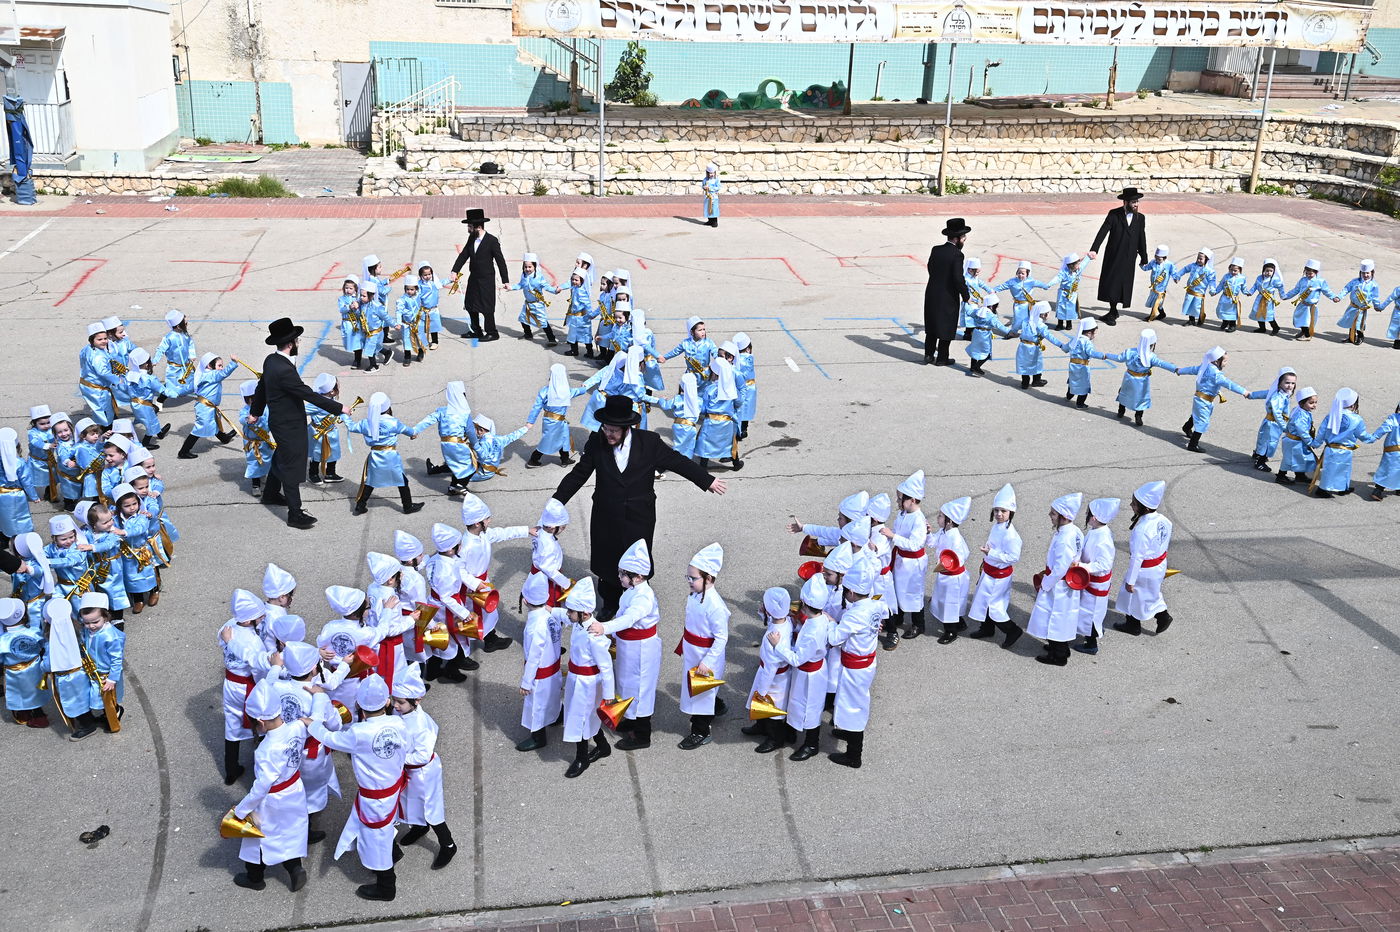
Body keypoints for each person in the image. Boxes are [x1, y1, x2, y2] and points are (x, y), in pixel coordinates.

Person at [551, 395, 725, 620]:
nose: (609, 434)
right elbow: (578, 475)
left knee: (637, 558)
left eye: (614, 430)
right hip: (606, 514)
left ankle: (639, 602)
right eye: (606, 428)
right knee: (608, 559)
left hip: (639, 515)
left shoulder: (649, 442)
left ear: (627, 428)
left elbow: (677, 461)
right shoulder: (597, 442)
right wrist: (555, 504)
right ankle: (610, 603)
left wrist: (706, 479)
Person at [306, 673, 408, 902]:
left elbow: (331, 739)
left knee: (375, 836)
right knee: (384, 827)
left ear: (360, 705)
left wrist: (312, 725)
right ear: (388, 702)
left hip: (374, 796)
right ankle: (393, 852)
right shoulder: (398, 723)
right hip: (392, 787)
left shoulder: (358, 733)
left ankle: (386, 884)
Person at [248, 318, 345, 530]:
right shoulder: (284, 369)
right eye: (297, 340)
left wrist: (255, 411)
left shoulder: (271, 360)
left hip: (280, 421)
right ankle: (295, 513)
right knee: (291, 465)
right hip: (289, 424)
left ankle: (271, 493)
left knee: (282, 456)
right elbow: (305, 393)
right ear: (291, 344)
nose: (298, 343)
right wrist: (338, 407)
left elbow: (262, 387)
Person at [229, 673, 309, 892]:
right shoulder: (297, 728)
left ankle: (255, 877)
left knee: (257, 839)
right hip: (294, 787)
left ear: (261, 722)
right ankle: (294, 868)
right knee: (291, 830)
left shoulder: (266, 749)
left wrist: (242, 809)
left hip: (272, 798)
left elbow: (262, 785)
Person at [593, 538, 661, 750]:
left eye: (624, 574)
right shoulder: (633, 590)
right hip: (629, 647)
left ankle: (642, 735)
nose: (620, 577)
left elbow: (629, 618)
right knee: (627, 685)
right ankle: (630, 720)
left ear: (638, 577)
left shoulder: (643, 598)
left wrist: (605, 628)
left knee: (640, 689)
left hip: (641, 649)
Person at [391, 663, 457, 870]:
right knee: (410, 802)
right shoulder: (401, 714)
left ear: (417, 700)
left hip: (423, 772)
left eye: (400, 702)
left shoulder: (421, 725)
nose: (395, 705)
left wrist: (397, 758)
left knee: (431, 809)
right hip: (410, 771)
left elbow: (421, 755)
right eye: (394, 700)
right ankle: (419, 826)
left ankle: (448, 844)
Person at [828, 559, 888, 768]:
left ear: (852, 593)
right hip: (865, 661)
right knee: (849, 701)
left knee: (853, 707)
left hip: (855, 666)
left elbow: (834, 638)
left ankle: (854, 755)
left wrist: (829, 621)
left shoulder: (854, 614)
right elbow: (883, 613)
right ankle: (846, 731)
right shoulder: (874, 604)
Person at [559, 578, 616, 778]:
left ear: (584, 613)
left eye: (570, 611)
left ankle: (581, 758)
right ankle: (602, 746)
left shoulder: (594, 635)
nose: (567, 614)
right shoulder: (578, 623)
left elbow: (606, 666)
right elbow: (562, 615)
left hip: (588, 683)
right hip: (576, 678)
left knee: (581, 719)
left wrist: (608, 694)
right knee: (586, 716)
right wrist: (546, 609)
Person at [676, 543, 729, 750]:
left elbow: (721, 637)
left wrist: (708, 661)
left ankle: (701, 731)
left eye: (693, 578)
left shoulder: (715, 606)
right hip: (693, 650)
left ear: (708, 579)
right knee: (696, 690)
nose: (689, 581)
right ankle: (717, 706)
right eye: (688, 577)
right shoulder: (696, 594)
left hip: (706, 655)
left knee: (701, 693)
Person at [1027, 492, 1085, 666]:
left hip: (1058, 585)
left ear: (1064, 516)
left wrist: (1046, 583)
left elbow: (1060, 567)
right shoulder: (1074, 531)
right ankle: (1060, 647)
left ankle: (1058, 655)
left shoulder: (1065, 539)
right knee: (1062, 617)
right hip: (1065, 583)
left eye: (1053, 513)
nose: (1049, 516)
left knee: (1055, 617)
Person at [966, 483, 1023, 649]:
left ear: (1010, 512)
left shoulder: (1011, 535)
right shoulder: (997, 526)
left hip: (999, 576)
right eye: (996, 510)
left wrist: (991, 554)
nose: (999, 514)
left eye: (1003, 511)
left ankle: (1012, 630)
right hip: (990, 571)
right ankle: (987, 628)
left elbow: (1013, 557)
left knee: (994, 606)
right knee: (984, 599)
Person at [1113, 481, 1173, 636]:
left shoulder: (1142, 530)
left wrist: (1131, 580)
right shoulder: (1163, 520)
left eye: (1134, 504)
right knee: (1151, 594)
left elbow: (1137, 558)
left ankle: (1134, 625)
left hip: (1144, 570)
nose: (1131, 505)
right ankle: (1161, 616)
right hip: (1159, 565)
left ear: (1145, 508)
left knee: (1131, 596)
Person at [349, 392, 424, 517]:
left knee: (370, 481)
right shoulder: (394, 422)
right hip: (391, 456)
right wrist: (413, 434)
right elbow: (409, 431)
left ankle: (360, 505)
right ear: (388, 407)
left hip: (375, 456)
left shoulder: (366, 423)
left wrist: (345, 415)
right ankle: (408, 505)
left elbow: (351, 427)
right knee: (402, 481)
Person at [880, 470, 928, 651]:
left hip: (912, 563)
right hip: (901, 558)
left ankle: (918, 623)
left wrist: (894, 536)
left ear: (913, 500)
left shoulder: (918, 519)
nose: (898, 502)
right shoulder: (903, 513)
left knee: (913, 592)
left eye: (901, 499)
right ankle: (899, 616)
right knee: (898, 588)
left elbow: (915, 544)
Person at [516, 572, 564, 752]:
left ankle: (538, 737)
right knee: (552, 696)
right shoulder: (550, 615)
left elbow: (533, 656)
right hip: (553, 666)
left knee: (535, 704)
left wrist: (526, 682)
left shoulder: (533, 627)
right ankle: (558, 715)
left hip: (540, 673)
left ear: (526, 601)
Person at [1088, 187, 1147, 326]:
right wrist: (1094, 249)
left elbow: (1141, 238)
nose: (1136, 204)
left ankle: (1114, 311)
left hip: (1129, 258)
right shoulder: (1114, 214)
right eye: (1133, 202)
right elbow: (1103, 231)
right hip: (1114, 256)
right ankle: (1113, 311)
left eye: (1137, 201)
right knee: (1112, 283)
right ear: (1125, 202)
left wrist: (1144, 257)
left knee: (1123, 284)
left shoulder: (1140, 218)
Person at [746, 585, 795, 755]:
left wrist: (762, 690)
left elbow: (771, 667)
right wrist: (763, 614)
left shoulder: (773, 638)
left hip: (773, 680)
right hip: (780, 675)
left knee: (772, 708)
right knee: (772, 706)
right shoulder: (786, 621)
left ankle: (775, 739)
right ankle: (761, 725)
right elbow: (773, 621)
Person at [1175, 346, 1252, 453]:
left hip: (1199, 398)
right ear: (1216, 361)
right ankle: (1193, 444)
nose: (1226, 363)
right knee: (1203, 421)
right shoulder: (1216, 374)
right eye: (1224, 361)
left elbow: (1192, 369)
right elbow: (1229, 384)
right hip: (1204, 400)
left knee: (1198, 414)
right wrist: (1244, 391)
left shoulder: (1205, 366)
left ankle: (1187, 427)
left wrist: (1180, 370)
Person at [450, 207, 509, 342]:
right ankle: (476, 330)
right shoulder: (472, 238)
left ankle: (492, 332)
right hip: (474, 278)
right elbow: (464, 255)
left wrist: (505, 280)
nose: (468, 229)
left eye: (469, 226)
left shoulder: (491, 241)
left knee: (487, 306)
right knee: (470, 304)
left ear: (478, 227)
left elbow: (500, 261)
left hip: (486, 279)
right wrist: (455, 271)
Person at [1072, 497, 1119, 656]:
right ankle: (1093, 631)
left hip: (1095, 582)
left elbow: (1103, 565)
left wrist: (1081, 566)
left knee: (1090, 613)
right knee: (1090, 612)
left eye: (1087, 513)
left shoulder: (1103, 539)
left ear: (1094, 518)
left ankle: (1091, 643)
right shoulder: (1097, 531)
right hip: (1091, 580)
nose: (1085, 515)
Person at [415, 381, 478, 495]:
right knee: (471, 465)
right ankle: (460, 485)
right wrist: (475, 444)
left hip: (445, 445)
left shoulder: (442, 411)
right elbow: (470, 431)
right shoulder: (464, 413)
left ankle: (452, 487)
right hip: (458, 444)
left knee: (455, 464)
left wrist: (415, 430)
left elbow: (428, 420)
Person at [923, 218, 972, 365]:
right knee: (946, 325)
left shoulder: (936, 249)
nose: (964, 240)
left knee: (932, 324)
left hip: (932, 292)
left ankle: (929, 355)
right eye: (963, 238)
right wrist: (966, 296)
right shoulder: (957, 255)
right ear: (957, 239)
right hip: (947, 296)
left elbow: (930, 267)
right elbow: (958, 278)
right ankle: (942, 358)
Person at [1312, 388, 1370, 498]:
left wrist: (1316, 443)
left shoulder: (1331, 415)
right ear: (1353, 404)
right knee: (1344, 469)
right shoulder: (1356, 419)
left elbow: (1322, 432)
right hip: (1345, 450)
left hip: (1330, 448)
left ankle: (1341, 487)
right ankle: (1322, 489)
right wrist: (1372, 438)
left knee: (1330, 469)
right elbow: (1362, 434)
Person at [1115, 328, 1178, 427]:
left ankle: (1121, 411)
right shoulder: (1151, 356)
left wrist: (1106, 355)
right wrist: (1175, 369)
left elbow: (1118, 358)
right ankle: (1138, 416)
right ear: (1153, 344)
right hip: (1142, 381)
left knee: (1125, 393)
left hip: (1129, 378)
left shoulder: (1129, 351)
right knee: (1141, 398)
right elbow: (1162, 363)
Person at [0, 595, 47, 727]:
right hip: (34, 667)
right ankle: (39, 715)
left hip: (14, 672)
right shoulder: (34, 632)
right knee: (35, 691)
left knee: (17, 693)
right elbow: (42, 645)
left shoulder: (3, 640)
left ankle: (23, 714)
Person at [525, 364, 582, 469]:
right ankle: (533, 459)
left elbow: (536, 407)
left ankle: (565, 459)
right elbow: (578, 391)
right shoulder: (567, 391)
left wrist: (530, 421)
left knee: (563, 439)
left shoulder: (545, 391)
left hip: (549, 420)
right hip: (560, 420)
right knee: (548, 441)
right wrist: (584, 387)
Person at [1248, 367, 1297, 473]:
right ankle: (1259, 462)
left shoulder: (1279, 392)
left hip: (1272, 422)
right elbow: (1277, 413)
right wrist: (1284, 427)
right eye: (1287, 382)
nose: (1290, 386)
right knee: (1269, 442)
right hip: (1273, 423)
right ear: (1280, 382)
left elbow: (1264, 393)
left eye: (1293, 383)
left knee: (1264, 439)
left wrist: (1251, 395)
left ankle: (1257, 454)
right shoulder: (1278, 397)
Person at [1283, 258, 1341, 341]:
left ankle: (1307, 335)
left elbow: (1327, 291)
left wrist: (1333, 297)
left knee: (1307, 321)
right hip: (1303, 304)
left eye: (1310, 273)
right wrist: (1287, 296)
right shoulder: (1302, 280)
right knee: (1299, 319)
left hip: (1311, 306)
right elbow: (1296, 290)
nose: (1308, 275)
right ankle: (1303, 332)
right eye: (1306, 273)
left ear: (1316, 272)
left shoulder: (1320, 281)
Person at [1278, 387, 1321, 486]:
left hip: (1296, 441)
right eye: (1311, 403)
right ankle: (1281, 476)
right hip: (1294, 441)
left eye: (1315, 402)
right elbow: (1303, 431)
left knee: (1300, 458)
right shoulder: (1301, 416)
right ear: (1302, 403)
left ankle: (1300, 475)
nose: (1314, 405)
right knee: (1289, 459)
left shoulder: (1300, 410)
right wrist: (1310, 442)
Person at [1339, 259, 1381, 345]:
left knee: (1359, 323)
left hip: (1362, 308)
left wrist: (1377, 306)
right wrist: (1339, 296)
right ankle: (1351, 337)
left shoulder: (1374, 285)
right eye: (1363, 273)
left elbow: (1375, 297)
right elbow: (1346, 288)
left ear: (1372, 273)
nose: (1365, 275)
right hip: (1353, 306)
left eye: (1368, 273)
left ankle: (1360, 336)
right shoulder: (1355, 281)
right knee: (1351, 321)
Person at [1364, 400, 1400, 501]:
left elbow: (1383, 429)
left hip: (1392, 451)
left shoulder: (1394, 418)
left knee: (1387, 470)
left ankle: (1378, 490)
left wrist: (1373, 437)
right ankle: (1398, 489)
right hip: (1394, 451)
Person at [1245, 258, 1285, 335]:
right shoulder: (1259, 277)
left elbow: (1280, 286)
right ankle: (1262, 328)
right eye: (1267, 271)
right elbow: (1255, 286)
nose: (1268, 273)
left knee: (1268, 313)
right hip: (1260, 298)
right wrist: (1250, 292)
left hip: (1268, 299)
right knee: (1258, 312)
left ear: (1274, 271)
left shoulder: (1275, 279)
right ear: (1263, 270)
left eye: (1271, 271)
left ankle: (1275, 327)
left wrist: (1282, 295)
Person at [1211, 257, 1247, 332]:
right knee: (1223, 310)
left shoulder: (1242, 278)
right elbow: (1221, 285)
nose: (1233, 272)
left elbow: (1243, 288)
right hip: (1225, 297)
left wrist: (1247, 292)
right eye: (1231, 270)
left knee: (1232, 312)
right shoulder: (1226, 276)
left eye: (1235, 270)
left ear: (1240, 270)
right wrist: (1215, 291)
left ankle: (1232, 325)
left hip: (1233, 299)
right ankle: (1225, 322)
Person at [1141, 245, 1175, 322]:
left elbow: (1174, 272)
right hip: (1154, 288)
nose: (1157, 260)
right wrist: (1141, 264)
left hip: (1161, 289)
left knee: (1156, 303)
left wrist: (1176, 278)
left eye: (1159, 259)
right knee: (1158, 304)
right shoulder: (1153, 262)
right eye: (1155, 257)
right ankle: (1162, 314)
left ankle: (1151, 316)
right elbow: (1146, 268)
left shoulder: (1169, 265)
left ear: (1165, 258)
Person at [701, 162, 721, 227]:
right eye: (710, 173)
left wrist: (710, 188)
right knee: (708, 208)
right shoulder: (705, 179)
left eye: (712, 173)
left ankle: (715, 222)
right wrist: (704, 187)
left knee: (714, 209)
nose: (711, 174)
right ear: (707, 173)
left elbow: (718, 187)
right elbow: (703, 185)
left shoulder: (716, 180)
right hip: (707, 196)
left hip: (714, 197)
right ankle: (710, 220)